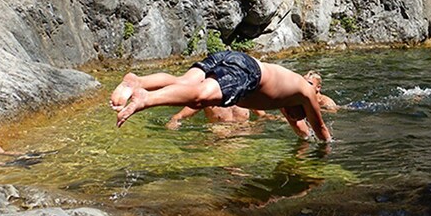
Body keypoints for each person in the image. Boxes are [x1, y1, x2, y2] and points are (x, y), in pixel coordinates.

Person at [111, 51, 332, 141]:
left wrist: (306, 145)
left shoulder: (288, 96)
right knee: (200, 97)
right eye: (296, 117)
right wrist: (329, 150)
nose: (293, 120)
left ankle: (138, 82)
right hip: (249, 71)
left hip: (233, 57)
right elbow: (320, 130)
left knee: (184, 82)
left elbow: (305, 133)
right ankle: (146, 99)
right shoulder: (306, 92)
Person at [166, 105, 268, 129]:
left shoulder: (245, 96)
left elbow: (263, 116)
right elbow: (179, 115)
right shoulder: (208, 98)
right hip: (220, 135)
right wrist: (173, 121)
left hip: (245, 133)